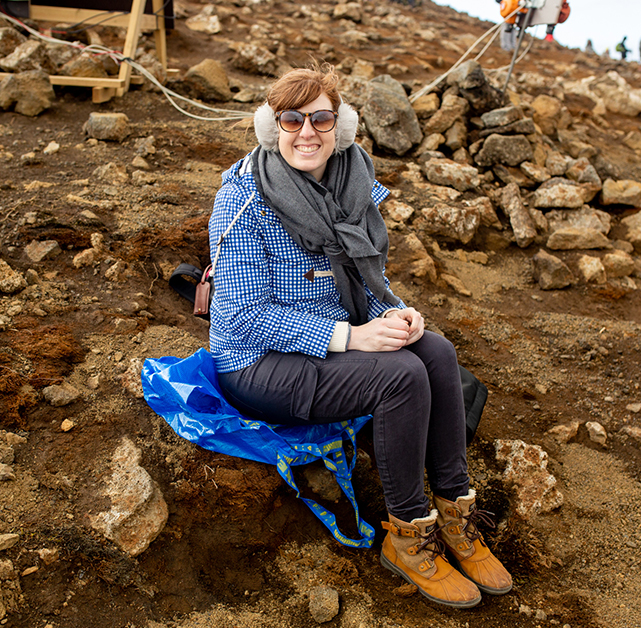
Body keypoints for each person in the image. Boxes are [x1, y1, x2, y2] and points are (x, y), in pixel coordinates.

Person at [207, 66, 512, 609]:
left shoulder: (351, 180)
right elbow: (243, 315)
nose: (308, 132)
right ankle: (408, 536)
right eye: (292, 119)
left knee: (435, 352)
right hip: (256, 361)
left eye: (321, 118)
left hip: (332, 341)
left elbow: (366, 276)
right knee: (400, 377)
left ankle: (457, 516)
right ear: (269, 126)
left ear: (341, 126)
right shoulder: (243, 200)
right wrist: (351, 336)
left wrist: (395, 314)